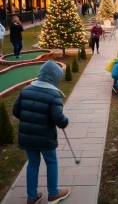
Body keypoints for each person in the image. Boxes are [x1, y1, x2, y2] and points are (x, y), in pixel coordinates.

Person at [12, 60, 70, 204]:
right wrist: (64, 121)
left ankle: (31, 197)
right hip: (45, 137)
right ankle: (53, 193)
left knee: (32, 163)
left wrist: (29, 121)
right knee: (51, 162)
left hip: (27, 137)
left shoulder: (26, 90)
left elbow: (16, 111)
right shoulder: (54, 94)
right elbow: (58, 118)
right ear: (54, 77)